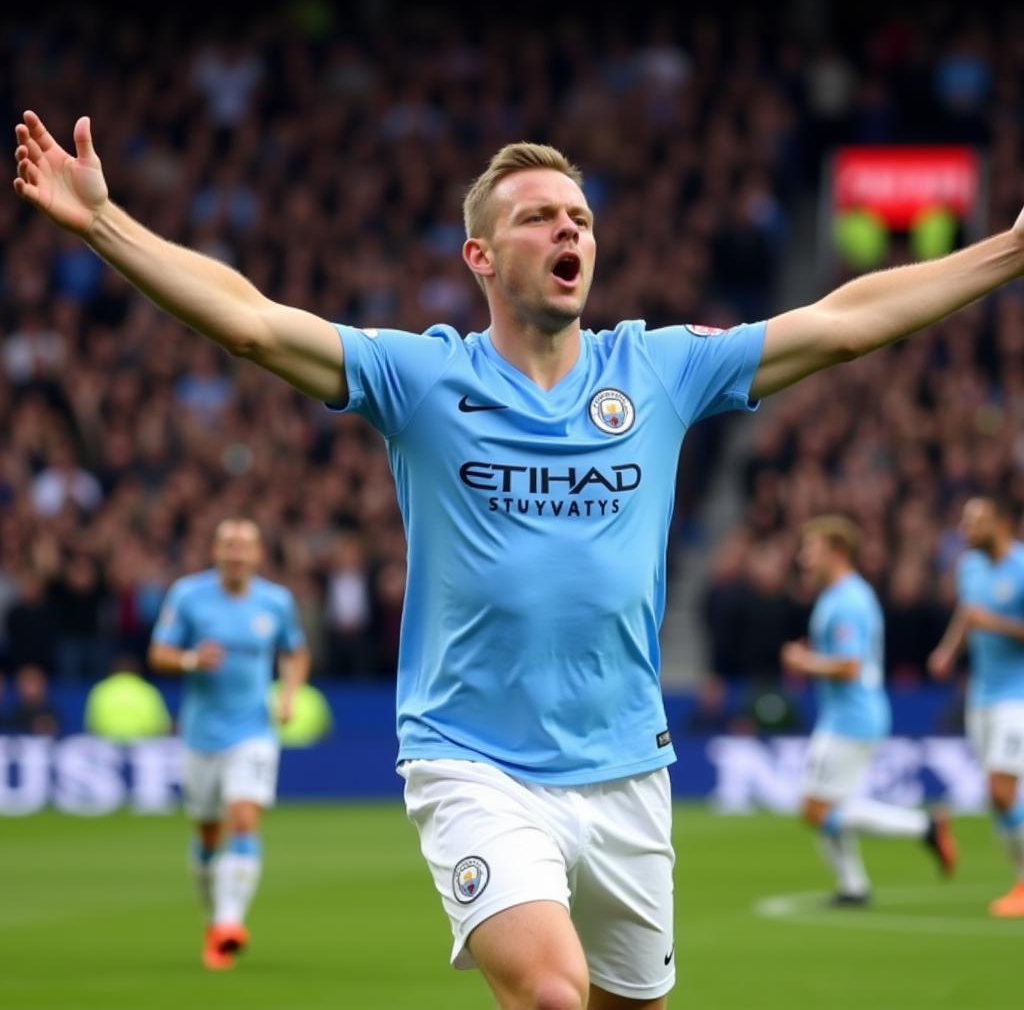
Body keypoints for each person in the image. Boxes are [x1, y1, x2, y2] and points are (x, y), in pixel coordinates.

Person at [13, 111, 1024, 1010]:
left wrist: (1009, 251)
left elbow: (843, 325)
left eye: (578, 216)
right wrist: (106, 224)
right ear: (481, 256)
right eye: (539, 216)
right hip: (473, 759)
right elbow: (250, 322)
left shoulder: (659, 368)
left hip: (628, 765)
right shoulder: (420, 376)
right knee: (549, 990)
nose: (568, 229)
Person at [148, 518, 309, 970]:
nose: (237, 554)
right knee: (205, 832)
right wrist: (191, 659)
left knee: (243, 818)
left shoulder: (275, 602)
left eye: (245, 547)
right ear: (215, 551)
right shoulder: (188, 595)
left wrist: (290, 693)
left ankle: (228, 924)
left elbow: (295, 651)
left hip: (253, 732)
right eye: (228, 546)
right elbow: (158, 653)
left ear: (259, 555)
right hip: (200, 734)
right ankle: (214, 915)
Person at [781, 517, 957, 907]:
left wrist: (804, 660)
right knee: (826, 805)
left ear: (837, 552)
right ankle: (853, 886)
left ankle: (925, 827)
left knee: (816, 809)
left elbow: (849, 666)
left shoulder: (848, 601)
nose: (803, 558)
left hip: (851, 716)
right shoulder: (836, 596)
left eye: (811, 549)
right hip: (846, 714)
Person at [929, 496, 1024, 917]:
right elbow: (969, 615)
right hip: (981, 697)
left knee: (1003, 792)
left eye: (976, 520)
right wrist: (948, 651)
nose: (966, 528)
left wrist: (997, 624)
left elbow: (986, 618)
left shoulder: (1021, 567)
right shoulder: (968, 566)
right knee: (996, 796)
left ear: (1000, 523)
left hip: (1017, 695)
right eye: (964, 520)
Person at [83, 651, 172, 742]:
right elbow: (161, 725)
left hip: (106, 743)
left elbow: (91, 725)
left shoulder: (101, 689)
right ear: (137, 671)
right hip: (143, 744)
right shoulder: (148, 689)